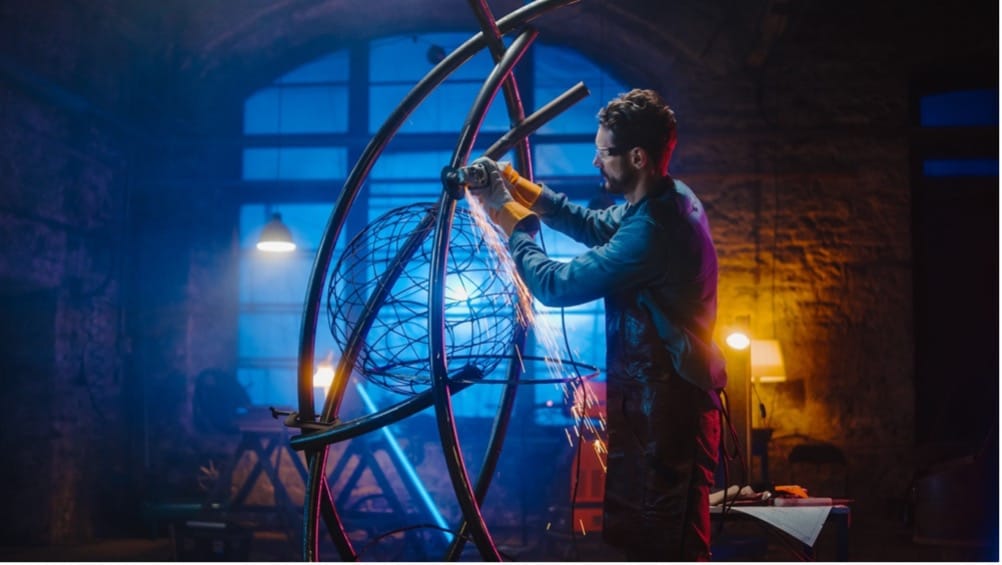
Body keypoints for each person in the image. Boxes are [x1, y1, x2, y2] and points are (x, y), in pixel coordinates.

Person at [470, 88, 727, 561]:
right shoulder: (662, 199)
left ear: (637, 157)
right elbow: (589, 224)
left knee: (668, 548)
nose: (594, 162)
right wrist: (513, 183)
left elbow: (553, 284)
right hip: (652, 405)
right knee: (640, 543)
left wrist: (509, 216)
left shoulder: (654, 230)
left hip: (670, 412)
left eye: (604, 152)